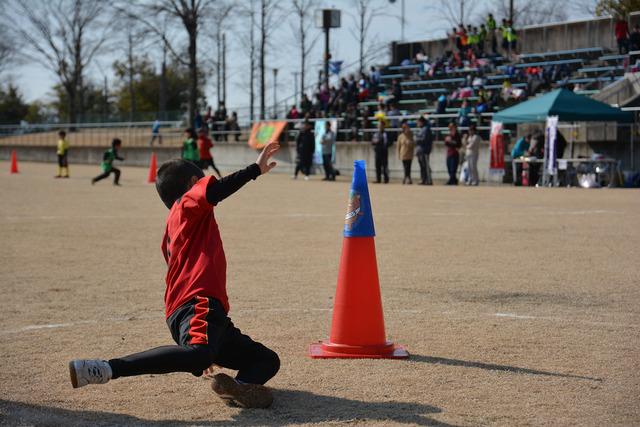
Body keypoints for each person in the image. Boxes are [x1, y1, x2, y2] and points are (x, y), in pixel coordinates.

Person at [69, 143, 281, 409]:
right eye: (203, 180)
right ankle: (106, 368)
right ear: (194, 183)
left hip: (202, 315)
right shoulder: (186, 204)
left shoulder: (174, 225)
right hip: (198, 302)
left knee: (266, 360)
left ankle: (237, 389)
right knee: (199, 356)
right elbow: (216, 190)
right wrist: (254, 170)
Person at [415, 116, 433, 185]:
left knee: (425, 166)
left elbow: (424, 139)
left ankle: (428, 180)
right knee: (422, 166)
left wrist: (417, 139)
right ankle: (423, 179)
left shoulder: (426, 129)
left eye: (418, 122)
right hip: (420, 150)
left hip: (424, 150)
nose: (417, 123)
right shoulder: (421, 129)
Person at [396, 119, 415, 185]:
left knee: (409, 167)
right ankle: (406, 178)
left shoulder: (411, 135)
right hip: (403, 154)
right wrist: (398, 154)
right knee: (405, 167)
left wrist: (409, 143)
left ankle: (408, 178)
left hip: (409, 154)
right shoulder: (400, 136)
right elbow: (398, 146)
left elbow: (413, 144)